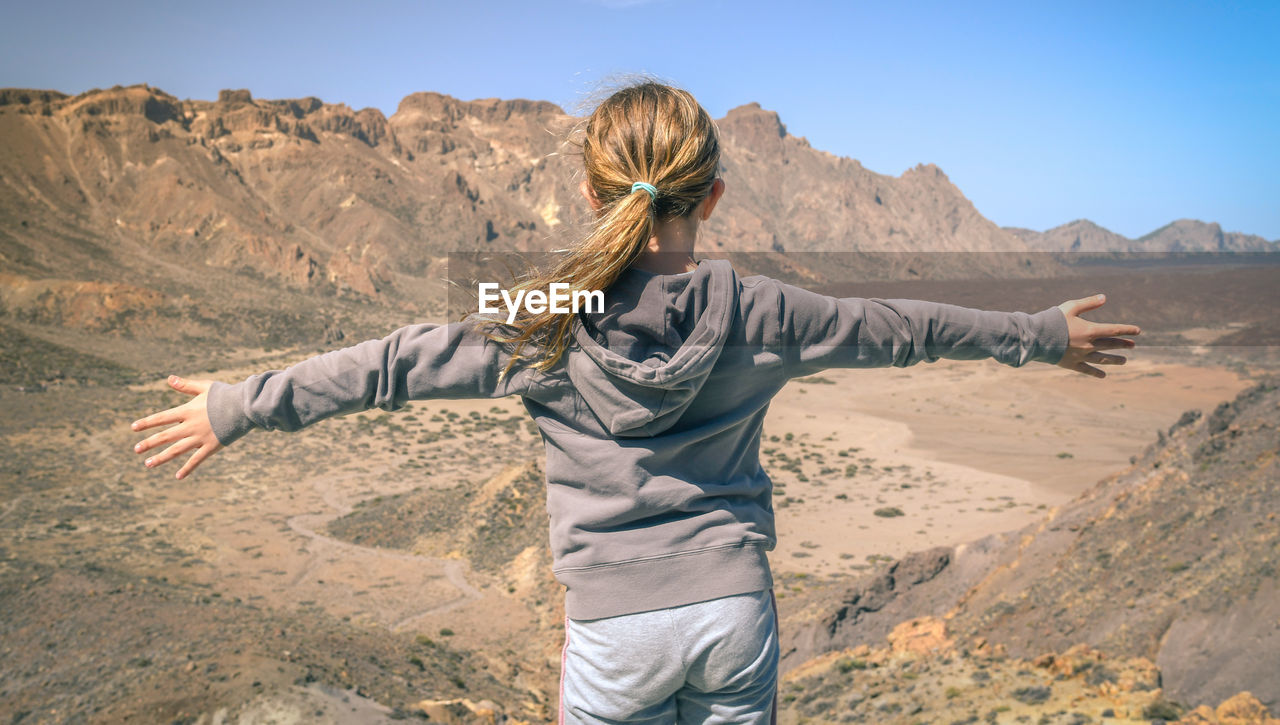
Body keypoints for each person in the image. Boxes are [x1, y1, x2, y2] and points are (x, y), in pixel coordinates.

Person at [130, 80, 1140, 724]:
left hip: (616, 631)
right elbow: (898, 325)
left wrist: (238, 405)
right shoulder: (761, 308)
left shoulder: (537, 317)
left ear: (588, 194)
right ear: (711, 197)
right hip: (733, 613)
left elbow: (394, 364)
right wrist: (1038, 335)